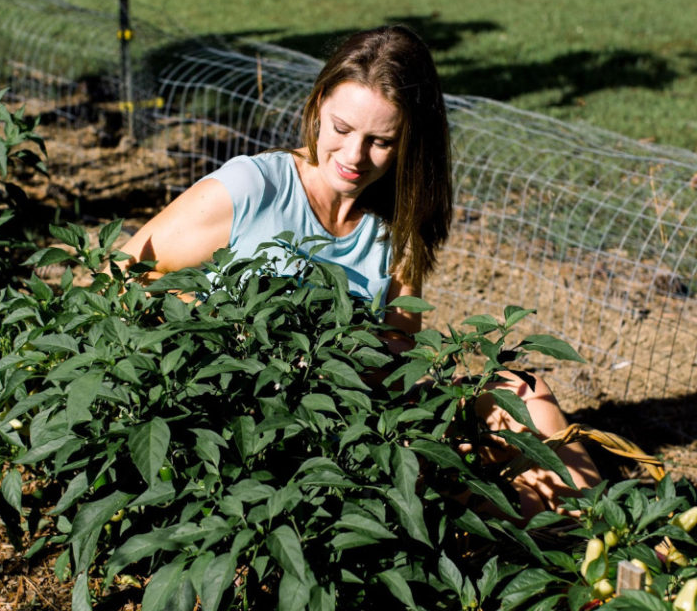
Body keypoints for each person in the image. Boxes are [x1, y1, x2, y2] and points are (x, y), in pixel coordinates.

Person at [115, 25, 600, 514]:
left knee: (523, 392)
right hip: (242, 421)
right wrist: (232, 333)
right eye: (342, 129)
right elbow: (119, 277)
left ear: (410, 141)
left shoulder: (395, 228)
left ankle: (598, 535)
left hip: (345, 418)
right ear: (318, 106)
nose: (352, 157)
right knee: (472, 494)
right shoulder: (253, 188)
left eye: (380, 142)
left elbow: (398, 354)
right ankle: (547, 535)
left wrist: (427, 412)